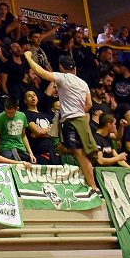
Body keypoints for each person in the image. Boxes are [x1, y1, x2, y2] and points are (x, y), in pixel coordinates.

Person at [24, 52, 100, 196]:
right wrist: (78, 110)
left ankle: (93, 187)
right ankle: (93, 185)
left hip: (71, 121)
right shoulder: (83, 83)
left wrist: (28, 57)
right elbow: (89, 104)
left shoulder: (63, 78)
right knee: (72, 150)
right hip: (82, 120)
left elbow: (41, 72)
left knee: (80, 154)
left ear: (61, 67)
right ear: (74, 68)